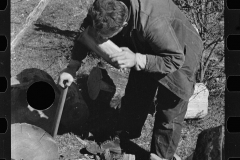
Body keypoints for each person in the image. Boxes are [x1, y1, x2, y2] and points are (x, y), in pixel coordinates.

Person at [58, 0, 203, 159]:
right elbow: (87, 29)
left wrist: (137, 59)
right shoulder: (104, 7)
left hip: (180, 51)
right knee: (137, 91)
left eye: (103, 36)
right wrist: (72, 67)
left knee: (170, 109)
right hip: (145, 41)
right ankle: (124, 139)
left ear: (124, 25)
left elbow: (175, 59)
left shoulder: (153, 23)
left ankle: (160, 156)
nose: (97, 37)